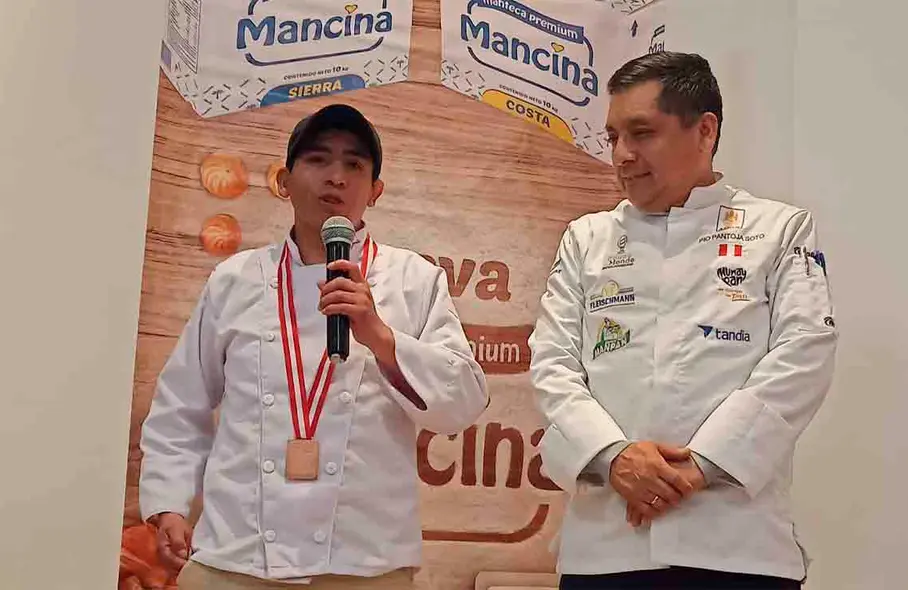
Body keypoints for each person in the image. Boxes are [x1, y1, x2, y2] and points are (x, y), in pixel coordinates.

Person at [139, 103, 489, 589]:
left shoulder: (414, 280)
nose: (336, 178)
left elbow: (463, 403)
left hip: (364, 562)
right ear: (284, 180)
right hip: (234, 556)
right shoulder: (235, 279)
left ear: (376, 191)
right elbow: (183, 402)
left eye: (354, 165)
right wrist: (168, 502)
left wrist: (381, 338)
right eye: (318, 160)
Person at [528, 51, 837, 589]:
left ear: (705, 130)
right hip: (605, 549)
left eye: (642, 133)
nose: (622, 155)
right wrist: (613, 456)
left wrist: (702, 466)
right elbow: (552, 365)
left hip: (738, 548)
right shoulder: (587, 238)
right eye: (612, 137)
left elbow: (804, 355)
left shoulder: (780, 229)